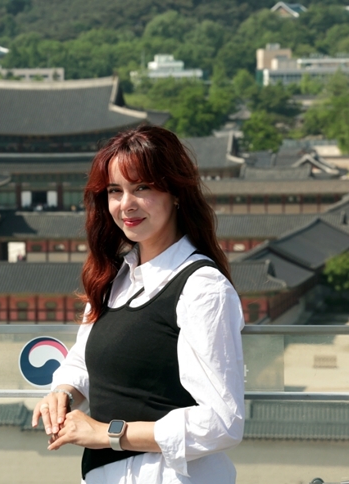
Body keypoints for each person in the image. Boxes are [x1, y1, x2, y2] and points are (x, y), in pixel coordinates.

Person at [32, 126, 245, 484]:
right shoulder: (114, 280)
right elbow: (85, 360)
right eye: (115, 191)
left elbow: (223, 422)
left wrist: (107, 434)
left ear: (176, 192)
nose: (125, 204)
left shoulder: (202, 288)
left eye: (141, 188)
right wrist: (63, 392)